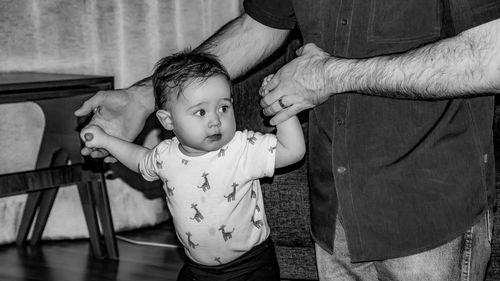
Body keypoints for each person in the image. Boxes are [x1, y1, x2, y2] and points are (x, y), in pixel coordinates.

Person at [75, 0, 500, 280]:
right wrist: (142, 96)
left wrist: (329, 75)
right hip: (333, 208)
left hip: (427, 207)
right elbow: (260, 25)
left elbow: (491, 58)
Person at [80, 51, 305, 281]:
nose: (216, 119)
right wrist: (105, 140)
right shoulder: (166, 156)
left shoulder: (244, 148)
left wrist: (281, 107)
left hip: (250, 267)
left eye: (224, 108)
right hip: (197, 270)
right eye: (200, 111)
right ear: (168, 121)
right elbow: (139, 160)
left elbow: (293, 151)